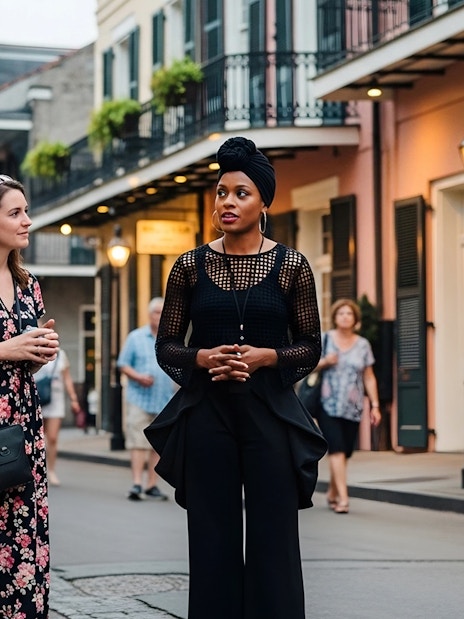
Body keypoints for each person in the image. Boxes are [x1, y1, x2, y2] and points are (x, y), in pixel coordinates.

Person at [144, 137, 327, 619]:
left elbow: (311, 345)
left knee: (274, 542)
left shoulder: (291, 266)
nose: (228, 201)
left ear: (263, 202)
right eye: (221, 192)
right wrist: (201, 358)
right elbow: (166, 346)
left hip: (270, 415)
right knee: (212, 540)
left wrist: (269, 357)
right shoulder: (188, 266)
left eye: (241, 193)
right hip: (207, 416)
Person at [0, 174, 60, 618]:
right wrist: (8, 349)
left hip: (21, 426)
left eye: (26, 211)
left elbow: (27, 356)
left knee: (23, 533)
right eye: (15, 213)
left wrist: (39, 352)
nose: (27, 221)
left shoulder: (28, 284)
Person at [317, 298, 382, 514]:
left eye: (349, 314)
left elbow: (369, 376)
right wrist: (325, 362)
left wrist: (374, 405)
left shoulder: (363, 344)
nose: (345, 317)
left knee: (345, 451)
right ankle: (343, 498)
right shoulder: (325, 340)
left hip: (353, 406)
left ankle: (333, 492)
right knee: (335, 449)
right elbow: (307, 366)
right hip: (328, 403)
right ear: (335, 317)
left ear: (355, 319)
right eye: (341, 313)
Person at [118, 297, 175, 501]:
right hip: (139, 398)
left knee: (157, 444)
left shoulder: (170, 339)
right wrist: (138, 377)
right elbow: (123, 364)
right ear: (149, 314)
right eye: (156, 312)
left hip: (163, 399)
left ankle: (152, 485)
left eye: (162, 312)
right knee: (138, 441)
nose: (159, 316)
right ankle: (136, 483)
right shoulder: (136, 337)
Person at [34, 348, 81, 486]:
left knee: (52, 438)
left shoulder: (60, 354)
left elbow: (67, 377)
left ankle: (52, 470)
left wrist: (73, 399)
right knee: (37, 438)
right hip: (36, 399)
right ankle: (36, 471)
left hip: (56, 400)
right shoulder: (33, 349)